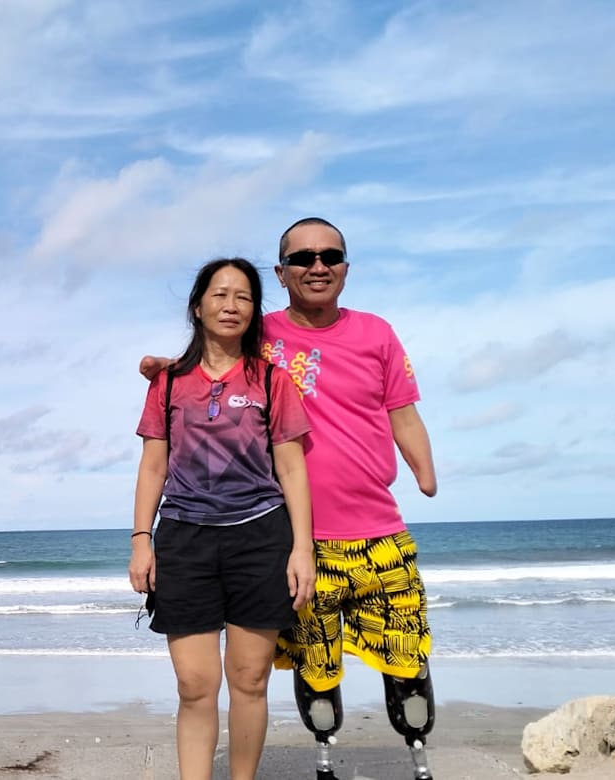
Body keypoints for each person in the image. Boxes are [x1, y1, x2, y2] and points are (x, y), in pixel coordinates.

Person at [141, 218, 439, 780]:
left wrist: (424, 472)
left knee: (403, 655)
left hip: (374, 526)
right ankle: (323, 754)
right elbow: (211, 355)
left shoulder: (376, 332)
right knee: (312, 669)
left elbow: (402, 410)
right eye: (302, 258)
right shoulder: (262, 332)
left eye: (330, 256)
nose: (317, 266)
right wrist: (165, 367)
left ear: (346, 266)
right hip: (293, 537)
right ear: (281, 273)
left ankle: (414, 744)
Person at [129, 257, 316, 780]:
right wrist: (141, 540)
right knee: (195, 685)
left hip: (261, 537)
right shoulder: (168, 383)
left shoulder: (272, 380)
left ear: (254, 310)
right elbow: (153, 466)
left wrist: (302, 548)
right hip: (184, 540)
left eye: (243, 296)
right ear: (197, 306)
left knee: (250, 680)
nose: (231, 305)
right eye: (220, 294)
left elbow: (291, 468)